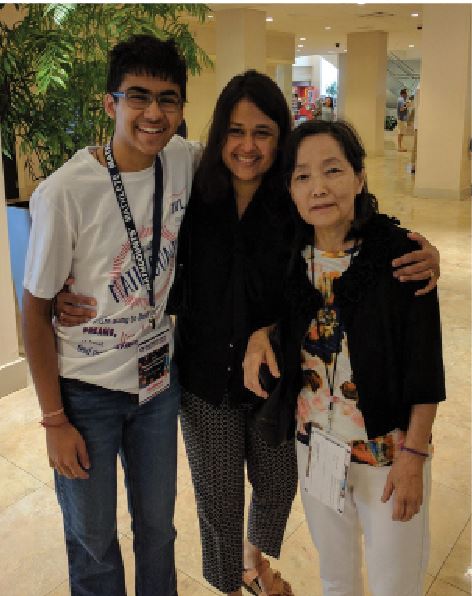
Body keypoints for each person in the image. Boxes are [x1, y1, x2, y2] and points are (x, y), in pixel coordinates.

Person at [55, 73, 441, 596]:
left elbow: (345, 252)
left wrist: (420, 251)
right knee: (217, 501)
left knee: (279, 483)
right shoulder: (192, 185)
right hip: (202, 377)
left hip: (276, 382)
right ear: (219, 135)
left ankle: (253, 557)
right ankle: (235, 578)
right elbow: (131, 225)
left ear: (280, 137)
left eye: (262, 132)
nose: (247, 146)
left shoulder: (296, 205)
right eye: (236, 131)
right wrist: (66, 290)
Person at [22, 34, 201, 596]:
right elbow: (33, 312)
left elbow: (264, 162)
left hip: (155, 387)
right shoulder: (65, 192)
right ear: (110, 104)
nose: (153, 113)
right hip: (85, 395)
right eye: (137, 96)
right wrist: (54, 420)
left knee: (158, 530)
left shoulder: (183, 160)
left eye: (168, 98)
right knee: (93, 540)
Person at [243, 119, 446, 596]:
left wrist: (414, 455)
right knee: (336, 580)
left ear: (358, 177)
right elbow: (262, 310)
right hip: (316, 451)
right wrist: (259, 333)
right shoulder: (291, 258)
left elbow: (425, 367)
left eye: (332, 170)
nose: (319, 188)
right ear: (290, 190)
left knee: (395, 585)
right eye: (303, 176)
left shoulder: (400, 256)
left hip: (388, 457)